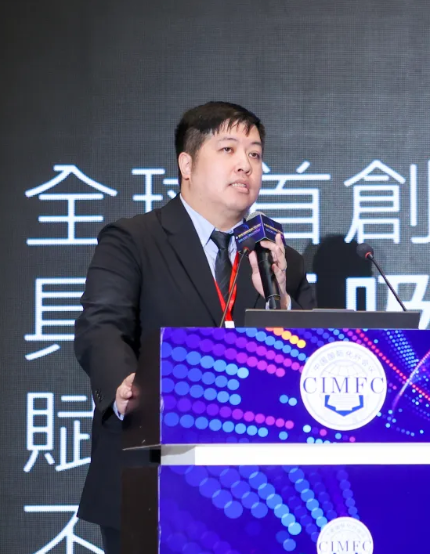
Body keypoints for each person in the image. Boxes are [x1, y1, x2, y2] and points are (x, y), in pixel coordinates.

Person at [74, 101, 316, 553]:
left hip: (260, 492)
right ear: (186, 165)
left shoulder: (281, 260)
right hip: (155, 473)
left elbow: (305, 362)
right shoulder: (134, 240)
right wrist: (125, 384)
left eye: (255, 154)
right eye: (228, 149)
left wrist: (279, 297)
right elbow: (100, 325)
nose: (245, 164)